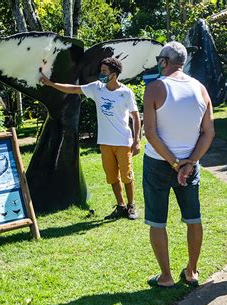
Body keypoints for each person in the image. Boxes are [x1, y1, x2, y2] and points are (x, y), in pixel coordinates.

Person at [142, 41, 215, 288]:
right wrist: (190, 162)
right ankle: (192, 271)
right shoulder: (201, 89)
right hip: (189, 166)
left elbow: (150, 133)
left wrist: (175, 163)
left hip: (158, 163)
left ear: (164, 61)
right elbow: (209, 133)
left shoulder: (154, 88)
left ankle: (166, 276)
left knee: (157, 220)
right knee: (193, 218)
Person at [39, 57, 141, 220]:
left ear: (114, 75)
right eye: (101, 70)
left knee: (127, 176)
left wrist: (136, 141)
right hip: (105, 142)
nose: (100, 74)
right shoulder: (96, 88)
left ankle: (131, 206)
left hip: (123, 141)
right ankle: (121, 206)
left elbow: (135, 117)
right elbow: (73, 89)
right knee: (112, 177)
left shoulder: (126, 93)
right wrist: (51, 84)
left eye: (104, 71)